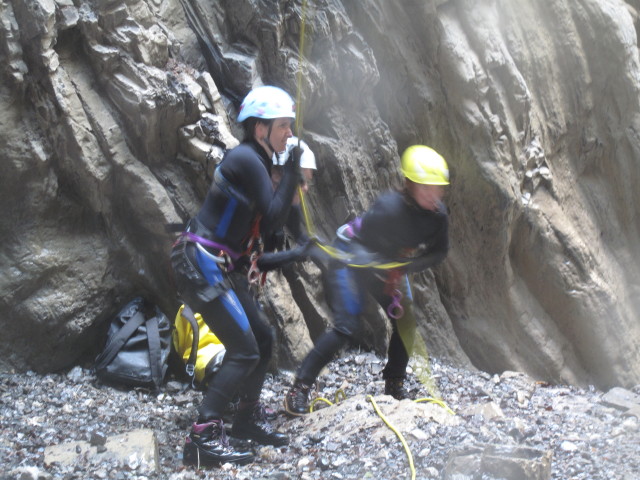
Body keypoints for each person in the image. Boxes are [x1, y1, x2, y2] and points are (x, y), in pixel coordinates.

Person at [171, 85, 303, 467]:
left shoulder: (257, 162)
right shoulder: (247, 158)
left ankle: (244, 420)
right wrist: (292, 171)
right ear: (260, 129)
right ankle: (202, 437)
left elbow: (266, 224)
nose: (289, 134)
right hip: (200, 263)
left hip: (217, 264)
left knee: (262, 338)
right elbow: (275, 212)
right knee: (244, 349)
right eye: (283, 127)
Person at [283, 145, 450, 416]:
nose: (434, 195)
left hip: (389, 263)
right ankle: (299, 388)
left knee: (406, 325)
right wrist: (389, 269)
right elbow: (361, 247)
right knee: (346, 326)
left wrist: (404, 267)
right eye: (426, 188)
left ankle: (394, 382)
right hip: (352, 257)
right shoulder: (389, 209)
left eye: (438, 188)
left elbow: (439, 252)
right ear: (409, 184)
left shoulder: (438, 217)